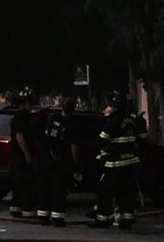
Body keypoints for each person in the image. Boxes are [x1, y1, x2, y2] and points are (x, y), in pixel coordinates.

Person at [90, 91, 145, 230]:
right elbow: (141, 139)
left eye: (112, 106)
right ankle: (127, 220)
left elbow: (102, 139)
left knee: (105, 192)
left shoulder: (114, 121)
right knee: (126, 193)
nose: (110, 108)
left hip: (114, 164)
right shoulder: (132, 120)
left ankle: (101, 219)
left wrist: (104, 153)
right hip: (130, 164)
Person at [36, 96, 80, 227]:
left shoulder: (52, 118)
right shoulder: (71, 124)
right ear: (73, 110)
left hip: (46, 159)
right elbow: (74, 146)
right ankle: (57, 218)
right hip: (61, 161)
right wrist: (76, 164)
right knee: (59, 189)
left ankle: (43, 217)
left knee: (45, 188)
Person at [8, 92, 38, 219]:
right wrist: (28, 156)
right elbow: (20, 138)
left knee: (18, 184)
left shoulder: (16, 116)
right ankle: (28, 211)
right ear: (24, 104)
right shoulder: (22, 117)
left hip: (15, 157)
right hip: (21, 157)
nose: (31, 107)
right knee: (26, 183)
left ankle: (16, 208)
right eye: (30, 104)